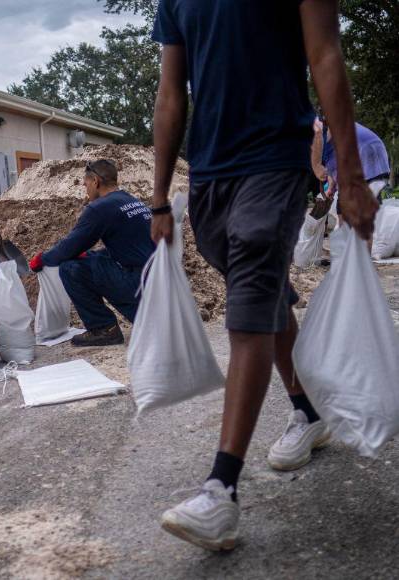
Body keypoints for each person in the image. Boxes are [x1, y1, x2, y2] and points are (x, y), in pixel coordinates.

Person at [150, 0, 378, 551]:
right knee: (264, 294)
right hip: (209, 174)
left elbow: (325, 55)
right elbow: (170, 91)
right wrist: (160, 198)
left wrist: (350, 175)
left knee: (249, 305)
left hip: (273, 159)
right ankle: (307, 411)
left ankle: (219, 491)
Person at [28, 159, 155, 347]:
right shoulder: (131, 200)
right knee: (94, 256)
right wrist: (87, 255)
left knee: (70, 268)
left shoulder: (100, 208)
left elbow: (70, 246)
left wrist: (43, 259)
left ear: (95, 181)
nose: (85, 189)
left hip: (138, 286)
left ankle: (104, 329)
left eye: (86, 184)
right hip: (158, 282)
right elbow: (128, 246)